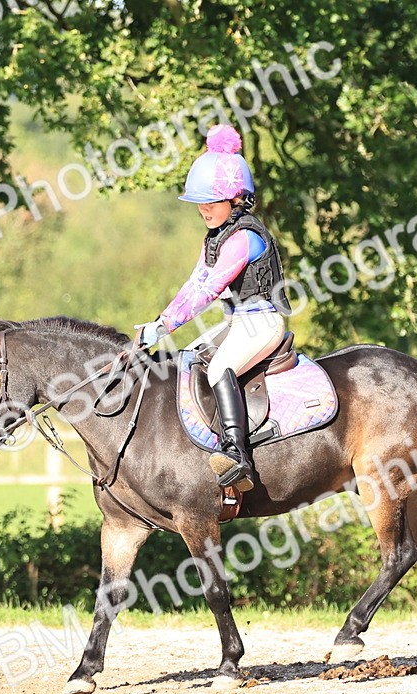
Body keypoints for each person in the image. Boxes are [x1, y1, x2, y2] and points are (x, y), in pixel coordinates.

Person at [135, 124, 290, 492]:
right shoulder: (215, 238)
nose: (203, 208)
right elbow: (193, 283)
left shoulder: (245, 238)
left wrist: (167, 325)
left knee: (220, 366)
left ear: (236, 199)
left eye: (212, 201)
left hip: (262, 323)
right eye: (200, 202)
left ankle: (239, 457)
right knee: (187, 358)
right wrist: (159, 323)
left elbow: (209, 288)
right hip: (235, 322)